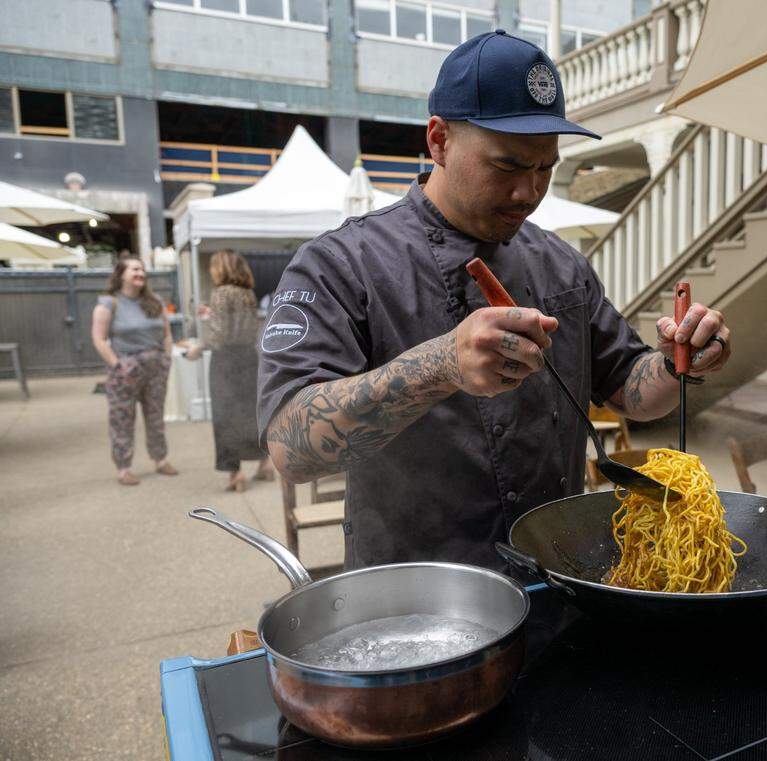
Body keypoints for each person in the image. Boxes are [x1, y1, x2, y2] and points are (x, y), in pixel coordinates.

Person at [258, 31, 731, 571]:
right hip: (417, 598)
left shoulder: (562, 263)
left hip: (561, 576)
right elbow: (289, 448)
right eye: (507, 166)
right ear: (439, 140)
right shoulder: (343, 263)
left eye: (545, 168)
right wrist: (440, 364)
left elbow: (632, 392)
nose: (529, 192)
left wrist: (678, 362)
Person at [186, 251, 274, 492]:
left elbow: (219, 334)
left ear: (222, 268)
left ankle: (235, 474)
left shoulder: (220, 293)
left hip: (225, 360)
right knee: (250, 413)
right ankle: (264, 463)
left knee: (225, 416)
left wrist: (198, 348)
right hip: (248, 357)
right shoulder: (248, 294)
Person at [91, 257, 179, 485]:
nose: (140, 273)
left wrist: (166, 358)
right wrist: (117, 365)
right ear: (121, 274)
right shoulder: (109, 303)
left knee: (156, 417)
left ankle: (160, 459)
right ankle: (123, 467)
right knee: (122, 420)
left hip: (156, 369)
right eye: (135, 269)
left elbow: (167, 334)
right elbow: (99, 339)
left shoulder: (154, 301)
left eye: (142, 270)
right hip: (125, 372)